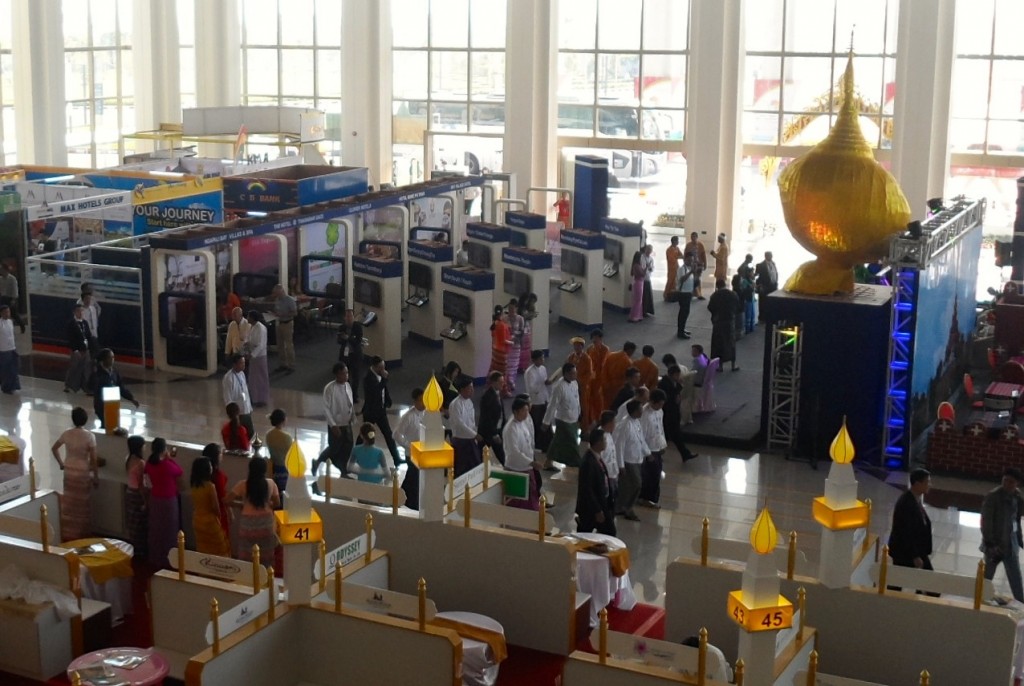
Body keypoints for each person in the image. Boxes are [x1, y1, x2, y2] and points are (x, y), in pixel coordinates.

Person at [50, 406, 98, 541]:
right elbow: (94, 459)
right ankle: (82, 533)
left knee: (70, 502)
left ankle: (68, 531)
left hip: (69, 470)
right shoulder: (89, 436)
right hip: (82, 472)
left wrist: (61, 463)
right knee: (82, 504)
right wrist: (96, 476)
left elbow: (54, 449)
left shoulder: (67, 433)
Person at [981, 467, 1024, 603]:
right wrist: (990, 543)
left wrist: (1019, 539)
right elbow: (986, 521)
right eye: (1005, 480)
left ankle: (1021, 601)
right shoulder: (993, 496)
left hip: (1011, 545)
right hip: (995, 546)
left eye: (1011, 482)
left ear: (1017, 483)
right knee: (988, 574)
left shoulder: (1017, 497)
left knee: (1015, 576)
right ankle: (981, 597)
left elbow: (1016, 520)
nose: (1007, 484)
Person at [226, 457, 281, 562]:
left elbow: (227, 500)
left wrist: (241, 505)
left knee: (247, 555)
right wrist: (268, 504)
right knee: (266, 556)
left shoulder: (243, 484)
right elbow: (277, 503)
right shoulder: (271, 483)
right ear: (264, 470)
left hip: (247, 523)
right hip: (266, 523)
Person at [313, 362, 355, 487]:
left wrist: (352, 417)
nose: (346, 375)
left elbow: (350, 403)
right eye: (343, 373)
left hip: (346, 423)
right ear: (337, 374)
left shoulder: (347, 385)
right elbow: (326, 408)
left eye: (347, 373)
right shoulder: (330, 388)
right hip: (336, 424)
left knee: (348, 446)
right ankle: (318, 461)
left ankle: (343, 471)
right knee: (334, 448)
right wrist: (333, 425)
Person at [144, 438, 183, 568]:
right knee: (170, 530)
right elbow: (179, 471)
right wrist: (169, 459)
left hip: (155, 499)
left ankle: (155, 557)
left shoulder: (149, 464)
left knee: (156, 530)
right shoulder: (167, 465)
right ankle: (169, 560)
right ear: (164, 450)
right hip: (168, 501)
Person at [502, 396, 542, 510]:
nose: (526, 414)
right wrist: (531, 462)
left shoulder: (522, 423)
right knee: (517, 500)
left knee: (531, 495)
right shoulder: (511, 428)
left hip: (526, 466)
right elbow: (514, 452)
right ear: (516, 411)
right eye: (524, 411)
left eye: (527, 410)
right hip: (516, 468)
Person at [614, 400, 649, 521]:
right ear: (634, 411)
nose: (642, 411)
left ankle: (620, 507)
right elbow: (620, 445)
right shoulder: (625, 425)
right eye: (640, 409)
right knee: (636, 484)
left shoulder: (637, 422)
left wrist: (647, 453)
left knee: (626, 486)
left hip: (637, 459)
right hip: (628, 461)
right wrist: (621, 465)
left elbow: (641, 440)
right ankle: (628, 508)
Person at [363, 356, 401, 466]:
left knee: (388, 434)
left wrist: (387, 400)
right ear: (375, 367)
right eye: (381, 367)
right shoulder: (368, 378)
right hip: (371, 411)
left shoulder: (379, 375)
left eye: (383, 366)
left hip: (380, 410)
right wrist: (384, 379)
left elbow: (384, 389)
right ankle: (357, 454)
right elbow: (376, 391)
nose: (383, 369)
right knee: (366, 434)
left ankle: (396, 458)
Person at [577, 428, 616, 535]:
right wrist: (597, 510)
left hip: (602, 503)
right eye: (604, 440)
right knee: (607, 533)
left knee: (607, 532)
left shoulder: (597, 458)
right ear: (598, 442)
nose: (606, 443)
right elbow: (587, 489)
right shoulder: (588, 462)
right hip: (592, 508)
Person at [543, 362, 581, 470]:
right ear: (566, 374)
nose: (575, 375)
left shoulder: (575, 383)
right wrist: (546, 421)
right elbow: (552, 405)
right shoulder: (559, 387)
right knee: (572, 442)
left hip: (573, 418)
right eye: (573, 373)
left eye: (575, 372)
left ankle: (548, 462)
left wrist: (579, 413)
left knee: (557, 441)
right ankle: (577, 462)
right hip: (563, 420)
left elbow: (576, 400)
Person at [191, 457, 230, 556]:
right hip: (209, 521)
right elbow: (215, 507)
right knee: (219, 547)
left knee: (203, 548)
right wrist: (220, 517)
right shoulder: (210, 486)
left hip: (197, 520)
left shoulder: (194, 485)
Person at [658, 365, 698, 461]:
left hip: (673, 413)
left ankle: (684, 453)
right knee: (673, 435)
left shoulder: (673, 382)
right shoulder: (664, 383)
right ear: (672, 374)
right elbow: (669, 398)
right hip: (669, 414)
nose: (678, 377)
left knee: (673, 436)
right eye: (677, 375)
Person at [394, 387, 426, 509]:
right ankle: (412, 503)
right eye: (421, 400)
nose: (423, 403)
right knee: (415, 477)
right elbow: (396, 434)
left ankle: (400, 496)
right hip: (411, 453)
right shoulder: (408, 416)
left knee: (412, 477)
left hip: (422, 451)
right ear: (415, 401)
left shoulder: (426, 413)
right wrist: (409, 445)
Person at [92, 348, 139, 428]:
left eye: (113, 357)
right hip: (102, 405)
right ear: (104, 359)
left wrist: (131, 398)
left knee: (111, 425)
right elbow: (93, 387)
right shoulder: (97, 373)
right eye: (110, 357)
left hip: (113, 404)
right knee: (106, 424)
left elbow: (121, 387)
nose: (112, 360)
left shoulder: (114, 373)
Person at [639, 390, 668, 509]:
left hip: (657, 447)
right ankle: (646, 498)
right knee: (651, 475)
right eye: (659, 404)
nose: (661, 407)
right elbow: (641, 436)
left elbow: (660, 428)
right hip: (649, 449)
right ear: (652, 402)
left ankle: (651, 498)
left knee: (656, 473)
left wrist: (663, 444)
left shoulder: (660, 411)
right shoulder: (644, 415)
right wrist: (647, 453)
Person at [449, 375, 482, 476]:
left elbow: (471, 422)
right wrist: (474, 434)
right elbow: (459, 423)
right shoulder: (455, 404)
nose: (472, 390)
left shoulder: (469, 402)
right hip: (461, 441)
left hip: (470, 439)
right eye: (469, 388)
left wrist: (474, 434)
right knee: (462, 468)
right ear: (462, 390)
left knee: (474, 467)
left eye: (472, 387)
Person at [123, 435, 148, 560]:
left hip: (129, 491)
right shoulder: (141, 463)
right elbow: (141, 485)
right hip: (137, 494)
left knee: (132, 521)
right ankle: (140, 551)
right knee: (140, 523)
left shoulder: (128, 459)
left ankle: (132, 548)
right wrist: (146, 501)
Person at [708, 278, 740, 371]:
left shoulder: (715, 295)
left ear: (717, 286)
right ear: (725, 284)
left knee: (719, 344)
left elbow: (710, 307)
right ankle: (733, 365)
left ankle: (720, 365)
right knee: (731, 343)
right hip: (730, 321)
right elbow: (738, 306)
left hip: (718, 322)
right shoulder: (733, 294)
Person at [222, 354, 256, 441]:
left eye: (244, 363)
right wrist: (233, 414)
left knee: (250, 431)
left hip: (246, 409)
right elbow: (228, 397)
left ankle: (244, 444)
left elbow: (245, 391)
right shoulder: (228, 378)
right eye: (241, 363)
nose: (243, 365)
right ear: (234, 364)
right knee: (241, 432)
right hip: (238, 412)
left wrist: (249, 407)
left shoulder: (242, 374)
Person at [524, 350, 552, 451]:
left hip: (544, 398)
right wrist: (542, 383)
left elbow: (545, 382)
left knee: (546, 421)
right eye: (540, 358)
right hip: (536, 401)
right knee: (538, 423)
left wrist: (548, 382)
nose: (542, 360)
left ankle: (548, 443)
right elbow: (531, 389)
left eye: (543, 358)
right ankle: (538, 444)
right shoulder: (529, 372)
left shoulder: (543, 368)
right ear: (534, 360)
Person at [64, 303, 93, 393]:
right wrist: (75, 350)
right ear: (74, 312)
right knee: (74, 367)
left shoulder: (85, 323)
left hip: (85, 349)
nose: (80, 313)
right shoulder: (71, 324)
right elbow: (70, 338)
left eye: (82, 311)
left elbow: (88, 336)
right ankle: (68, 385)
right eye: (78, 311)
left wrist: (89, 347)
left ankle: (86, 387)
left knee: (86, 369)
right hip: (76, 350)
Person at [204, 443, 231, 543]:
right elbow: (223, 497)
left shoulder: (202, 476)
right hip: (219, 513)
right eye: (220, 454)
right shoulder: (218, 476)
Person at [567, 336, 595, 430]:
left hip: (582, 388)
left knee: (583, 407)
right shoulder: (571, 357)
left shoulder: (587, 358)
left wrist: (578, 381)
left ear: (582, 347)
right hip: (571, 386)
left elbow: (589, 374)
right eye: (575, 346)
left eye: (578, 346)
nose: (576, 348)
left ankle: (584, 427)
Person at [479, 371, 507, 465]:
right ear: (494, 382)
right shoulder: (487, 397)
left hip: (498, 429)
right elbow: (487, 417)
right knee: (481, 454)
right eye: (500, 382)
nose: (503, 384)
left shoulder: (498, 394)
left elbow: (501, 412)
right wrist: (494, 434)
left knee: (502, 454)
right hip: (488, 432)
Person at [337, 308, 365, 402]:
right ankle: (347, 393)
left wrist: (348, 338)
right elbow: (339, 341)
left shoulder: (357, 327)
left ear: (353, 317)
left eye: (351, 316)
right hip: (345, 356)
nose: (349, 318)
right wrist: (343, 338)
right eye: (347, 316)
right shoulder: (342, 327)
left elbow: (358, 341)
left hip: (355, 355)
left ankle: (355, 395)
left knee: (356, 376)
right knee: (344, 375)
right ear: (345, 318)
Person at [243, 310, 270, 407]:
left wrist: (252, 354)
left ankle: (262, 399)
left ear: (252, 318)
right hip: (253, 356)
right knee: (253, 378)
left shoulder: (261, 328)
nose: (247, 318)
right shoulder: (253, 327)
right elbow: (249, 338)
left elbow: (261, 345)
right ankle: (255, 398)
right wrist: (246, 343)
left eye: (248, 317)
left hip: (259, 356)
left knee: (261, 378)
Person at [601, 341, 636, 412]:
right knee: (615, 407)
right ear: (630, 350)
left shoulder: (611, 355)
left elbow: (604, 370)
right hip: (618, 389)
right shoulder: (628, 362)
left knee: (605, 406)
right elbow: (628, 378)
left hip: (606, 386)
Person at [264, 408, 292, 495]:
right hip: (284, 469)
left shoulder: (268, 435)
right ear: (283, 420)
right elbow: (290, 454)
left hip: (273, 468)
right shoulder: (287, 437)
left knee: (274, 492)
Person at [271, 283, 297, 373]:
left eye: (276, 293)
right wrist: (274, 314)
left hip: (288, 323)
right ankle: (283, 364)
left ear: (281, 291)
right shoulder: (277, 300)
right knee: (280, 345)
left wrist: (283, 314)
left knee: (288, 345)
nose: (275, 295)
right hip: (279, 323)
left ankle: (291, 365)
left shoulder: (290, 300)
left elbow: (294, 313)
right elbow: (277, 310)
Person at [597, 411, 620, 507]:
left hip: (612, 473)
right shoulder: (600, 437)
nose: (615, 425)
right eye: (614, 422)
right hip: (605, 475)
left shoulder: (609, 434)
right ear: (609, 423)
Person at [489, 306, 512, 396]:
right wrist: (512, 342)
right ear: (501, 313)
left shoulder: (495, 323)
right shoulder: (501, 324)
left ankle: (490, 388)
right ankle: (504, 391)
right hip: (502, 352)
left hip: (495, 350)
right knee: (503, 373)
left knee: (493, 370)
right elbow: (503, 340)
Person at [586, 329, 609, 415]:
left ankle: (598, 415)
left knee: (598, 397)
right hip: (590, 377)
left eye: (596, 338)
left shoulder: (605, 349)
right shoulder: (589, 348)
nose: (594, 340)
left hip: (599, 377)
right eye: (593, 338)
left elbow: (604, 364)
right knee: (589, 396)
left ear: (600, 338)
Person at [505, 299, 525, 393]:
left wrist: (514, 334)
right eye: (509, 308)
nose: (510, 310)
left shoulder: (520, 319)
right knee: (507, 365)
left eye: (512, 308)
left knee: (514, 365)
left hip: (516, 345)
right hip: (508, 344)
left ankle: (512, 382)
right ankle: (507, 383)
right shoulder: (505, 318)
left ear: (516, 308)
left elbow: (522, 332)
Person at [675, 256, 696, 339]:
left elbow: (691, 280)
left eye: (692, 260)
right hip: (683, 293)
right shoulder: (681, 269)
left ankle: (682, 328)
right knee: (683, 313)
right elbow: (682, 279)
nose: (691, 262)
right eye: (689, 260)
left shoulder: (689, 268)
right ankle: (680, 332)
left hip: (688, 292)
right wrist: (691, 272)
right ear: (685, 260)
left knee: (686, 312)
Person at [754, 251, 779, 323]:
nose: (771, 257)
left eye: (771, 255)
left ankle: (770, 317)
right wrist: (759, 286)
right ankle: (762, 318)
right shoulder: (760, 265)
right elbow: (757, 276)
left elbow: (775, 273)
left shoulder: (773, 263)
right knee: (763, 302)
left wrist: (776, 283)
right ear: (766, 256)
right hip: (764, 287)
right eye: (770, 256)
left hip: (773, 286)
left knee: (771, 302)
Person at [0, 304, 20, 394]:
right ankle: (6, 387)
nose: (7, 314)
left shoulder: (10, 322)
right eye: (5, 312)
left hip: (12, 348)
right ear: (1, 313)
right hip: (4, 350)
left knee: (14, 368)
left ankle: (13, 386)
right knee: (6, 370)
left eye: (8, 312)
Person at [0, 263, 24, 332]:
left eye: (1, 269)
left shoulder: (12, 279)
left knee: (14, 314)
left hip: (10, 298)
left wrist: (13, 299)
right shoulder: (0, 279)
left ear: (5, 270)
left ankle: (22, 326)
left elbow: (15, 289)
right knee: (1, 312)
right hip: (2, 298)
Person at [683, 232, 707, 300]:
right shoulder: (688, 245)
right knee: (691, 279)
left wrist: (705, 264)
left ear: (697, 237)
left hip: (699, 265)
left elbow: (703, 255)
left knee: (697, 280)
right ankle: (691, 293)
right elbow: (685, 255)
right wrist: (685, 263)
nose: (693, 238)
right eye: (692, 237)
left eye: (694, 237)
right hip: (690, 265)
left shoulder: (700, 245)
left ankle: (699, 294)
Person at [518, 293, 538, 372]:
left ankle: (524, 365)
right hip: (522, 330)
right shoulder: (521, 309)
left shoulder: (527, 308)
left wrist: (532, 314)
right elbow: (523, 317)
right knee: (522, 348)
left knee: (526, 348)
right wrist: (531, 315)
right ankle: (520, 366)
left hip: (527, 329)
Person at [737, 254, 756, 334]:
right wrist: (751, 287)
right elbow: (744, 290)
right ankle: (747, 328)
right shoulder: (744, 268)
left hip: (751, 299)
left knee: (751, 314)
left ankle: (750, 327)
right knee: (747, 314)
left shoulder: (745, 266)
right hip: (747, 299)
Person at [628, 250, 645, 323]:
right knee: (638, 300)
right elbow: (642, 274)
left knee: (638, 300)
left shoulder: (635, 265)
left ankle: (638, 315)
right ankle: (634, 316)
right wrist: (646, 268)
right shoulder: (637, 266)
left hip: (637, 282)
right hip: (638, 283)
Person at [664, 235, 683, 301]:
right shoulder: (669, 250)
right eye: (677, 240)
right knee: (670, 281)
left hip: (676, 267)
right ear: (674, 241)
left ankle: (673, 295)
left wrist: (680, 257)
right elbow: (671, 259)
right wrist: (677, 257)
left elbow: (681, 255)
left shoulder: (677, 248)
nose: (678, 242)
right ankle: (666, 295)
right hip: (671, 268)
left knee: (675, 281)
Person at [641, 243, 656, 317]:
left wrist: (651, 268)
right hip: (642, 278)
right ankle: (642, 311)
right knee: (643, 296)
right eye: (648, 249)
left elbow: (652, 267)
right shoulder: (642, 257)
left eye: (650, 250)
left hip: (648, 278)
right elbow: (643, 267)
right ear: (645, 249)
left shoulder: (651, 259)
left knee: (648, 296)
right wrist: (647, 267)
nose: (649, 251)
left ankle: (647, 310)